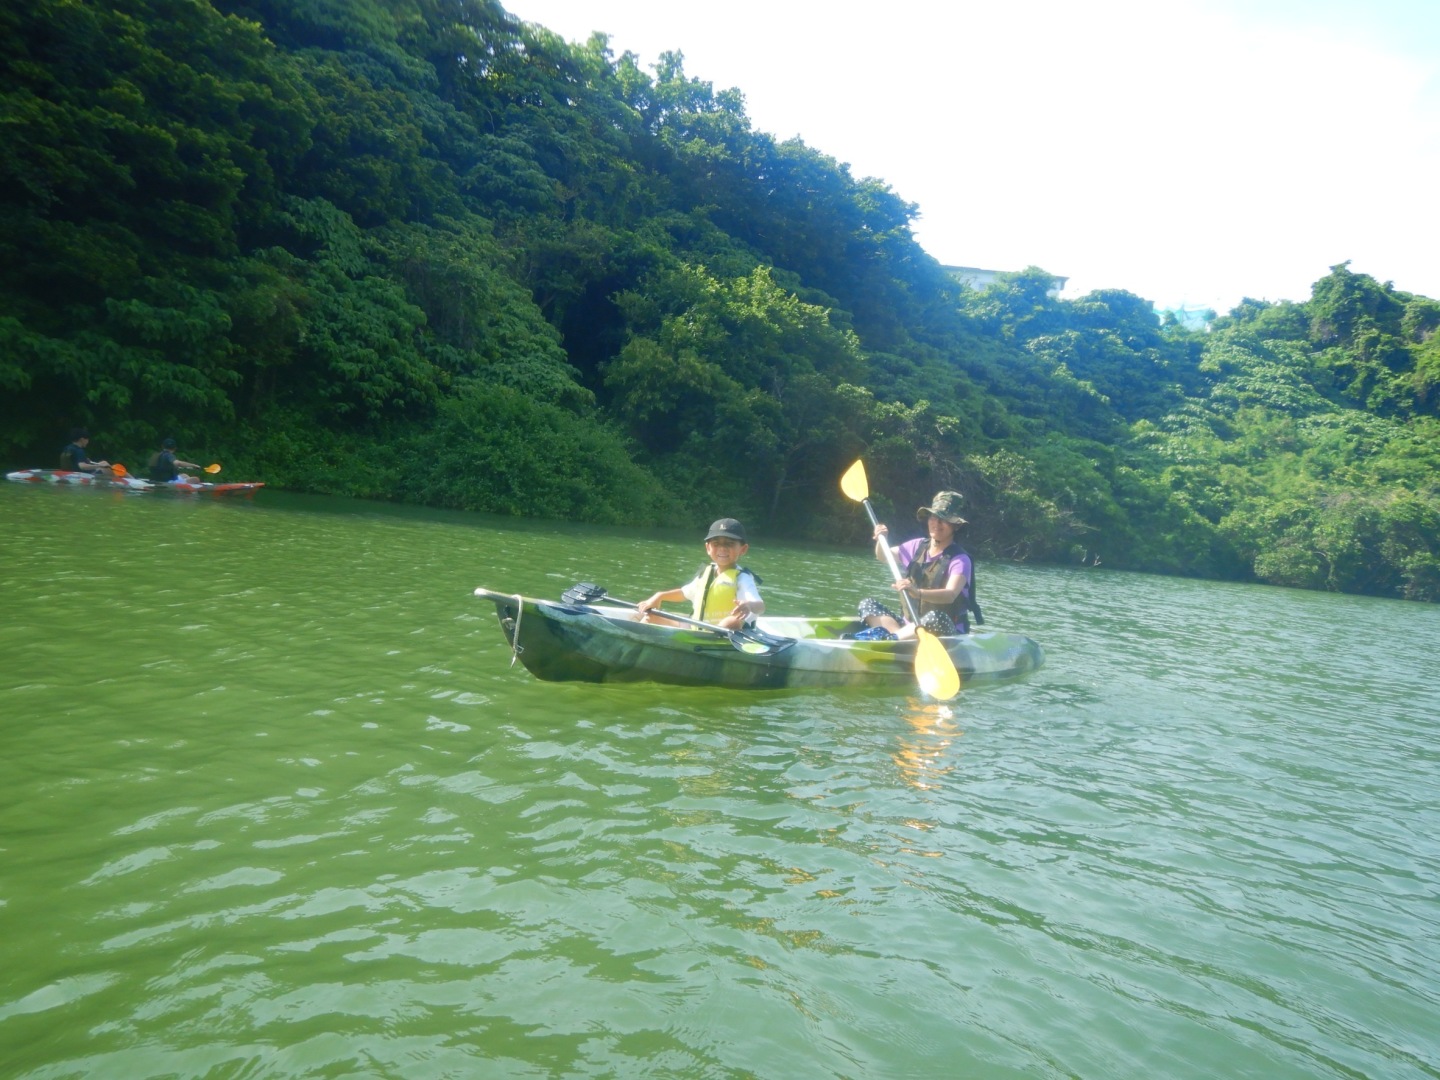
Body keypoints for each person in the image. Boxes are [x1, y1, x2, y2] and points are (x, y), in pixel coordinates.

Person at [857, 491, 977, 639]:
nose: (937, 523)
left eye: (944, 519)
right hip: (909, 626)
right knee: (867, 604)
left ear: (955, 526)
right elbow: (883, 556)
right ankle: (896, 637)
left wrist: (917, 592)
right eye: (934, 517)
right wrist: (881, 539)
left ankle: (891, 639)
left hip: (944, 631)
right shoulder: (917, 546)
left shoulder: (960, 559)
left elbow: (950, 594)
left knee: (935, 617)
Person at [636, 518, 765, 631]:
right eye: (716, 544)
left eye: (729, 544)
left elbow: (760, 606)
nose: (722, 548)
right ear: (708, 548)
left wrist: (748, 605)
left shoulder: (742, 578)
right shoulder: (706, 573)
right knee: (650, 616)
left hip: (727, 636)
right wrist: (659, 596)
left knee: (731, 622)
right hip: (696, 628)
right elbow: (684, 593)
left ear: (743, 549)